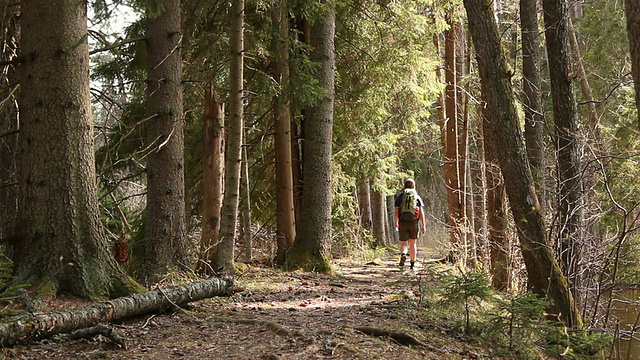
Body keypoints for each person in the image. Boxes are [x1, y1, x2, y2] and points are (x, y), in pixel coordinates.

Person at [394, 178, 426, 270]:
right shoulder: (416, 196)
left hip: (403, 222)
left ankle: (403, 254)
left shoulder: (401, 197)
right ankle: (412, 264)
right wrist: (423, 225)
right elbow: (421, 212)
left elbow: (397, 211)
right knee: (413, 244)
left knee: (404, 243)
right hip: (414, 222)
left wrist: (396, 222)